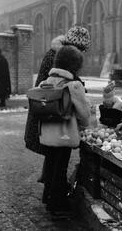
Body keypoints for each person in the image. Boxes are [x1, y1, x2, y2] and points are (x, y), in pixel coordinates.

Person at [39, 45, 90, 217]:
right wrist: (85, 124)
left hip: (47, 133)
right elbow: (84, 114)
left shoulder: (45, 83)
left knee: (51, 165)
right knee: (60, 168)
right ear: (74, 66)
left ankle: (48, 197)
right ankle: (58, 205)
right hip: (64, 135)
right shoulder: (73, 86)